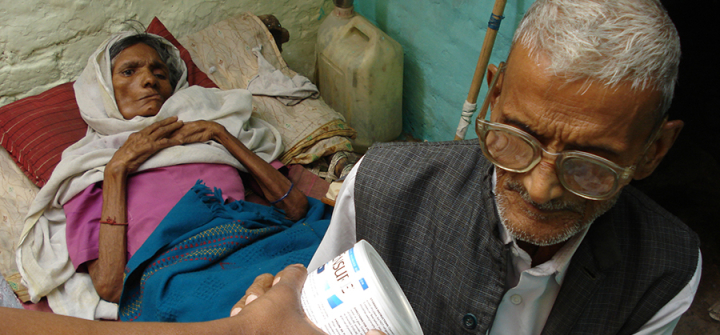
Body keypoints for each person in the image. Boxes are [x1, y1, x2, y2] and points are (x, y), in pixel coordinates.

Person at [310, 0, 701, 334]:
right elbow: (314, 313)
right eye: (519, 138)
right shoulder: (380, 186)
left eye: (588, 164)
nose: (540, 189)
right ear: (494, 96)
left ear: (654, 150)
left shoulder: (666, 270)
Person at [16, 31, 310, 320]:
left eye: (159, 73)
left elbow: (296, 208)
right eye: (129, 72)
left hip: (261, 248)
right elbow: (111, 287)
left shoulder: (208, 132)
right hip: (184, 279)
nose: (148, 80)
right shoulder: (90, 170)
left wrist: (223, 137)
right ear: (102, 90)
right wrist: (118, 170)